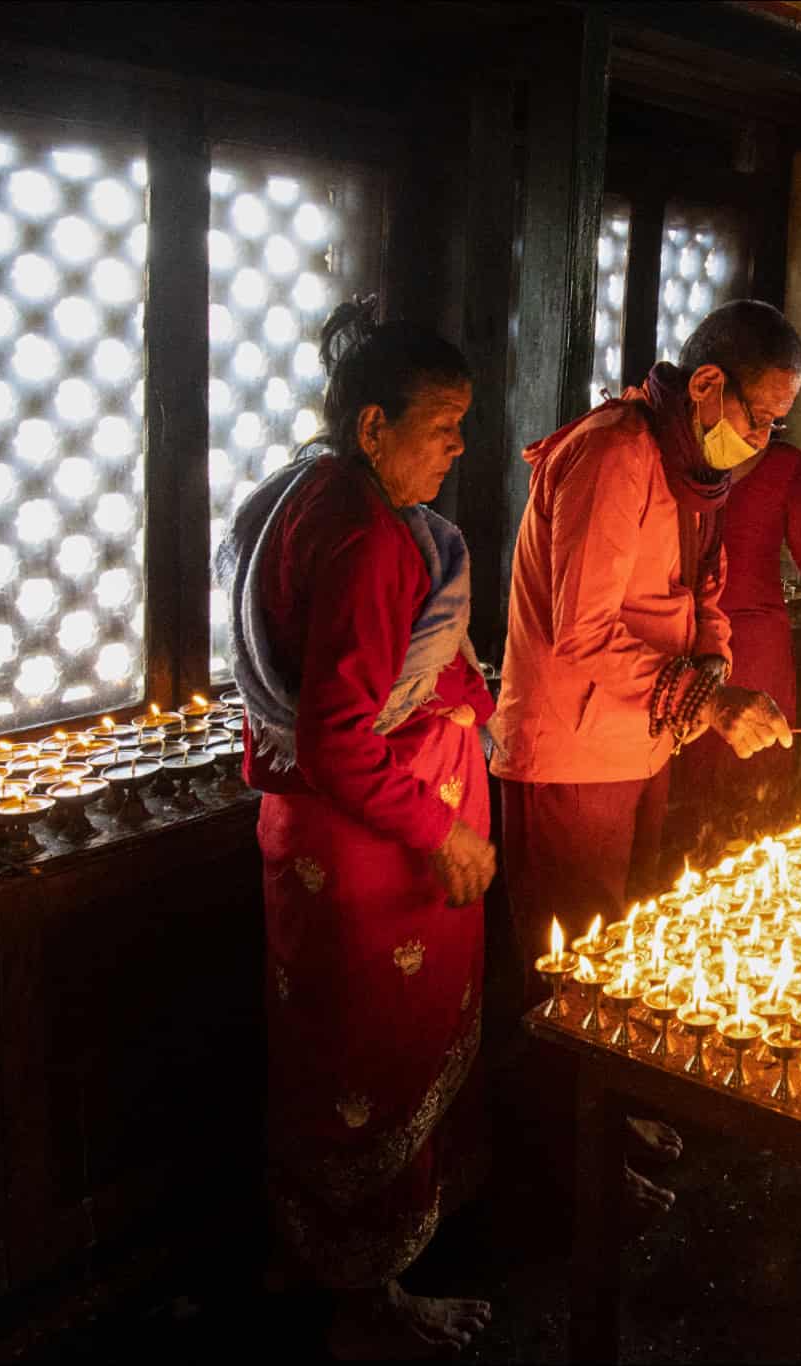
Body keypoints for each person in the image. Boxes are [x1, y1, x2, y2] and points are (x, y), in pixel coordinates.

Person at [222, 302, 496, 1356]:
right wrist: (444, 829)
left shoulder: (310, 490)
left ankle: (312, 1252)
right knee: (370, 1068)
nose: (456, 446)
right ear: (373, 425)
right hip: (376, 853)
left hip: (311, 846)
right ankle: (369, 1303)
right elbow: (344, 739)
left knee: (322, 1060)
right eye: (441, 425)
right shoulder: (369, 539)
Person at [488, 300, 800, 1209]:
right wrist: (708, 697)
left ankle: (608, 1114)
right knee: (569, 964)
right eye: (762, 417)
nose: (766, 438)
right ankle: (563, 1166)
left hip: (640, 744)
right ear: (708, 386)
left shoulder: (694, 465)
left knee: (622, 949)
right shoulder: (618, 453)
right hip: (571, 749)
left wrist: (712, 664)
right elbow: (581, 632)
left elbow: (705, 592)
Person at [673, 436, 801, 838]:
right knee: (756, 790)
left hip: (686, 637)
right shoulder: (785, 464)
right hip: (757, 645)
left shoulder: (678, 456)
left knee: (688, 789)